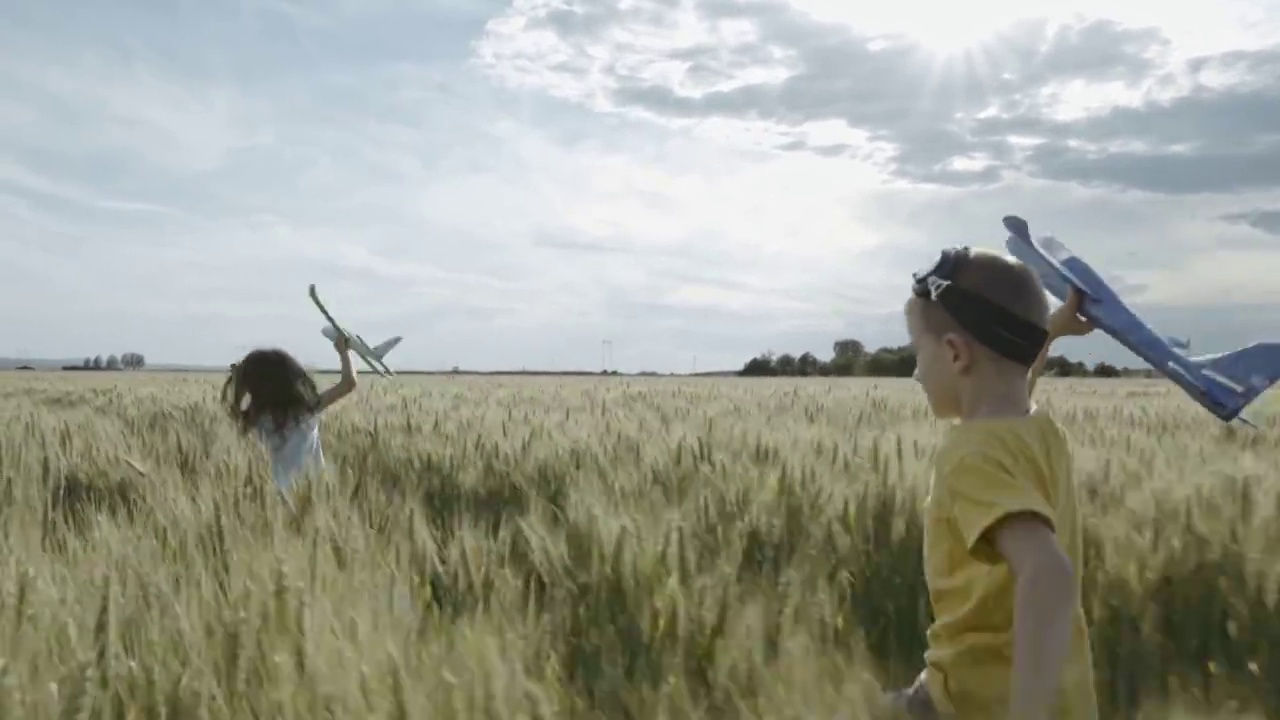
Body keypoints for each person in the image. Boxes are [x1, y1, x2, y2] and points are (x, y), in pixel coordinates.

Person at [887, 247, 1098, 719]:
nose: (917, 373)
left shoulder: (971, 458)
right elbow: (1013, 380)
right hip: (1062, 697)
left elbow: (1048, 573)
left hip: (971, 702)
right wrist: (1052, 331)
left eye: (919, 352)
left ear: (955, 353)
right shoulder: (1034, 428)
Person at [221, 333, 357, 494]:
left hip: (276, 496)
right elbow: (349, 383)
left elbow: (234, 408)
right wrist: (344, 351)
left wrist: (239, 378)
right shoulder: (308, 410)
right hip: (313, 493)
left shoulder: (255, 419)